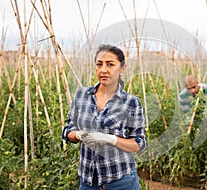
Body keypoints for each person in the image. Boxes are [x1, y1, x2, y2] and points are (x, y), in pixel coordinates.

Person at [62, 44, 146, 190]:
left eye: (110, 64)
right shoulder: (82, 96)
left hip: (121, 181)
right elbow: (67, 129)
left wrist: (111, 139)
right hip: (88, 181)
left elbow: (139, 143)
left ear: (122, 68)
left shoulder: (130, 102)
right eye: (99, 64)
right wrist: (78, 134)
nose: (103, 70)